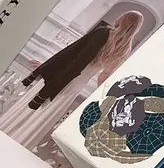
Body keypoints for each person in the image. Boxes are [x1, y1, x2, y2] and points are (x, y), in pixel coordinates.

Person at [0, 11, 144, 151]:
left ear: (121, 19)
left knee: (31, 106)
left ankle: (7, 131)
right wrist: (103, 97)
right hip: (77, 84)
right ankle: (20, 142)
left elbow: (72, 53)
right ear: (136, 28)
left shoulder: (102, 32)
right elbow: (104, 74)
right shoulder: (124, 49)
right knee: (45, 114)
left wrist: (47, 66)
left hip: (62, 76)